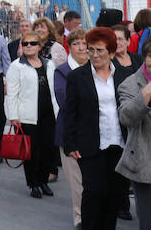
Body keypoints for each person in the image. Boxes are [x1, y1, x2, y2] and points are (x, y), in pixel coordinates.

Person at [64, 27, 131, 230]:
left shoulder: (125, 75)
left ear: (111, 52)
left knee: (115, 194)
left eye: (99, 50)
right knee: (93, 193)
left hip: (120, 144)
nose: (94, 55)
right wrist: (70, 143)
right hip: (91, 144)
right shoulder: (77, 77)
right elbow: (70, 112)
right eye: (91, 50)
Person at [5, 30, 59, 198]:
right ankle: (33, 183)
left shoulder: (49, 64)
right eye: (25, 43)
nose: (28, 46)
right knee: (31, 152)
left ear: (39, 46)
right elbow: (11, 94)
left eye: (32, 43)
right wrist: (13, 116)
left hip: (49, 114)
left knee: (48, 149)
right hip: (27, 116)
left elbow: (54, 90)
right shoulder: (16, 66)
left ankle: (43, 181)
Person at [54, 28, 88, 230]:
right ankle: (80, 218)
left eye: (84, 43)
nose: (81, 48)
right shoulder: (62, 71)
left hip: (95, 133)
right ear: (70, 47)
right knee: (77, 183)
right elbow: (65, 102)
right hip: (70, 134)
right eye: (76, 44)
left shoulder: (98, 67)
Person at [115, 39, 151, 230]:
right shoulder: (130, 84)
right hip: (145, 163)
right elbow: (126, 117)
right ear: (145, 58)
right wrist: (146, 94)